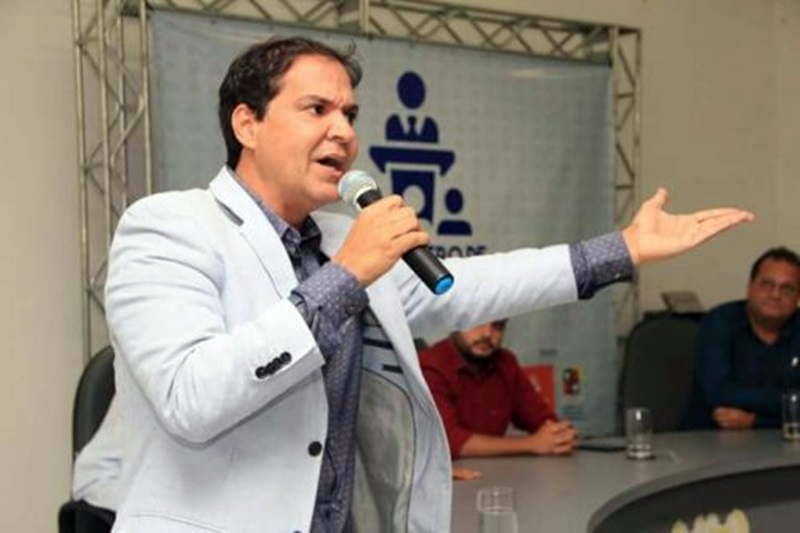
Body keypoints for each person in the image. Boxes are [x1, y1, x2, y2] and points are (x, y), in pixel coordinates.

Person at [94, 35, 752, 532]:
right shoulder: (170, 226)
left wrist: (622, 249)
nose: (343, 131)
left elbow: (476, 285)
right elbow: (191, 397)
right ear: (247, 124)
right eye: (317, 108)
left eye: (349, 113)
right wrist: (348, 275)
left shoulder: (338, 240)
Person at [419, 320, 577, 481]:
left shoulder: (506, 362)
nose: (487, 334)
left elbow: (541, 417)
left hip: (495, 477)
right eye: (478, 322)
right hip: (445, 481)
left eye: (498, 326)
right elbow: (450, 440)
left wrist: (559, 436)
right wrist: (532, 444)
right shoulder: (431, 364)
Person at [684, 247, 800, 430]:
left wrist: (755, 421)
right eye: (767, 285)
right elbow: (719, 393)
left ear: (797, 297)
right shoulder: (719, 322)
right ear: (750, 287)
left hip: (787, 439)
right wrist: (789, 402)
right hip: (710, 438)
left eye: (787, 289)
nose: (776, 295)